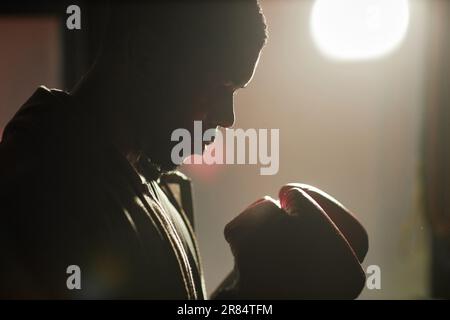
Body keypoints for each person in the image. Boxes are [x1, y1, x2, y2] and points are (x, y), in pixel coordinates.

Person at [0, 0, 368, 299]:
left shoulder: (153, 186)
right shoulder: (44, 185)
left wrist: (245, 292)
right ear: (144, 54)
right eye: (220, 86)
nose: (228, 117)